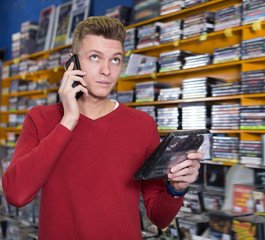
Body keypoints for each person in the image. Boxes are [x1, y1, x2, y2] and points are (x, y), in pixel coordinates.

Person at [2, 16, 203, 239]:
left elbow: (159, 217)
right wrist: (68, 120)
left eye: (115, 60)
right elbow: (16, 195)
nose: (106, 70)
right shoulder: (40, 119)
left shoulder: (142, 125)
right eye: (95, 57)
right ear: (72, 64)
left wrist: (176, 188)